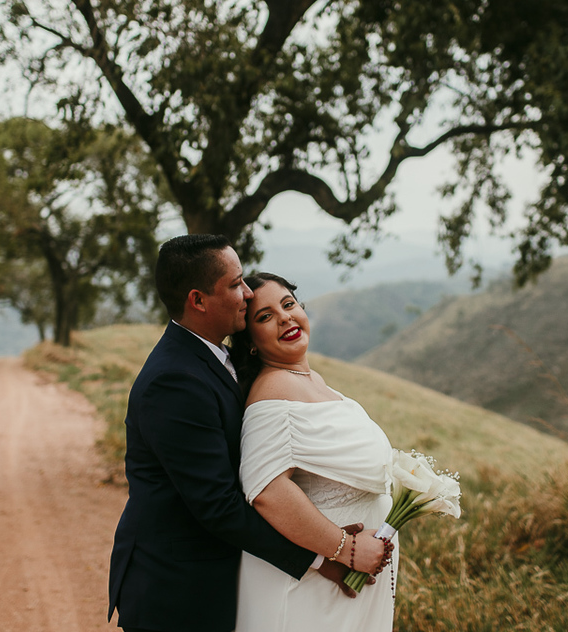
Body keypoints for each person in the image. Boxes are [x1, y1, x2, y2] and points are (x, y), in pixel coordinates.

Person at [107, 235, 387, 632]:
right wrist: (326, 556)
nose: (248, 292)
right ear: (198, 300)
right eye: (236, 283)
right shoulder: (173, 380)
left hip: (217, 576)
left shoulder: (212, 358)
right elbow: (218, 505)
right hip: (178, 589)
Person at [230, 272, 399, 632]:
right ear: (251, 342)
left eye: (288, 304)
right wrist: (345, 549)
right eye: (265, 316)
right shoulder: (272, 393)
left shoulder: (312, 381)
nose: (285, 318)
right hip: (313, 590)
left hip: (351, 580)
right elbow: (267, 491)